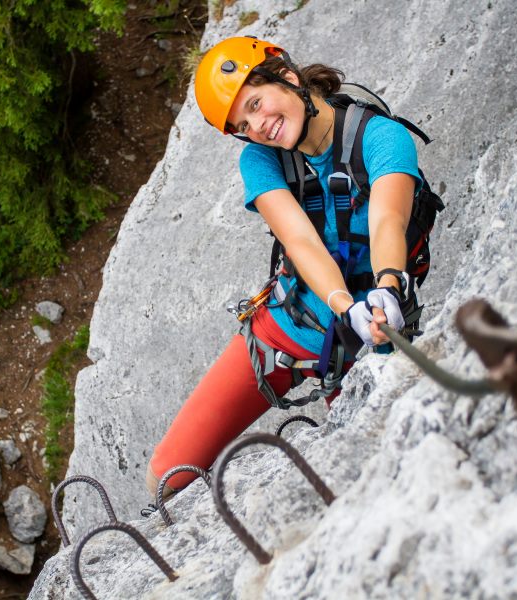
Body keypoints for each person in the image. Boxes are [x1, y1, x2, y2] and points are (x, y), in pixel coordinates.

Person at [146, 36, 431, 496]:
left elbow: (387, 220)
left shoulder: (381, 137)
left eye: (256, 103)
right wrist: (342, 304)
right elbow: (298, 240)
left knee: (376, 477)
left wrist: (387, 287)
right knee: (166, 473)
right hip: (286, 326)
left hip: (369, 335)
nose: (258, 126)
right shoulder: (259, 159)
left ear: (288, 78)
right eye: (244, 122)